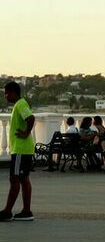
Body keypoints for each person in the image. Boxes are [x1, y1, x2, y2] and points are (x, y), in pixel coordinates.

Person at [1, 81, 36, 222]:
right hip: (24, 149)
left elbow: (31, 118)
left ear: (13, 92)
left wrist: (26, 133)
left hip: (21, 149)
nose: (5, 96)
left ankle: (7, 211)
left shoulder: (20, 104)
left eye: (6, 93)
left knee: (14, 179)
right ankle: (26, 211)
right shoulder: (20, 104)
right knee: (23, 179)